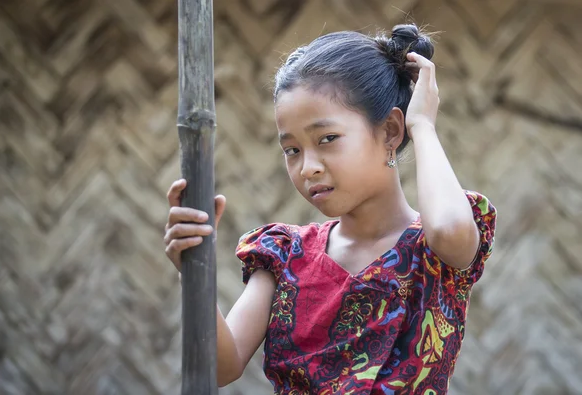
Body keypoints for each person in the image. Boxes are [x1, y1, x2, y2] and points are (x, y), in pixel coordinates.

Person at [164, 24, 497, 395]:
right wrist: (194, 270)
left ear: (389, 130)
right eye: (292, 150)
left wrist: (423, 124)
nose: (308, 167)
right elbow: (220, 367)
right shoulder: (285, 255)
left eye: (327, 139)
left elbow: (450, 229)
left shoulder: (434, 252)